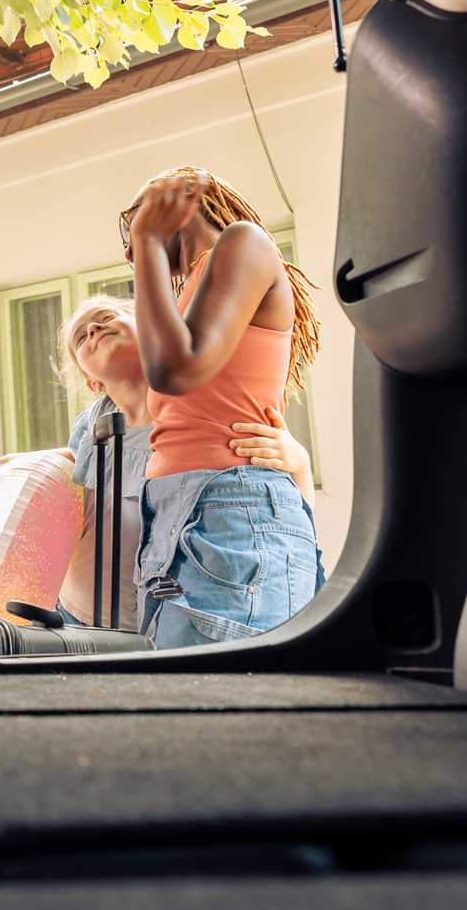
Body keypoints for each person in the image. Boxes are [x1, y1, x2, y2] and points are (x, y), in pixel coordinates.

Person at [121, 165, 325, 648]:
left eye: (136, 221)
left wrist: (148, 244)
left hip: (230, 508)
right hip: (181, 512)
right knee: (184, 688)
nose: (129, 250)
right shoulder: (194, 292)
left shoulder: (243, 242)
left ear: (185, 200)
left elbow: (176, 369)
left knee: (219, 689)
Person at [48, 294, 315, 633]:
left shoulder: (199, 411)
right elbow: (77, 480)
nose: (93, 329)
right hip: (79, 616)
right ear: (92, 381)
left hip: (156, 619)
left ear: (153, 333)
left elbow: (280, 514)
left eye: (106, 317)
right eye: (81, 337)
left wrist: (299, 462)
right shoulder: (93, 427)